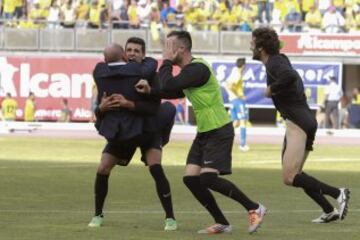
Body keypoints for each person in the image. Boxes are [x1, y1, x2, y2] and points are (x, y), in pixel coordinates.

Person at [136, 30, 266, 234]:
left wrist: (166, 61)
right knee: (190, 179)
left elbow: (169, 83)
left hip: (219, 129)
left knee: (208, 179)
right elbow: (171, 90)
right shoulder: (190, 73)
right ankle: (222, 222)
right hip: (205, 131)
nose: (165, 50)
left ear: (181, 49)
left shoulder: (197, 69)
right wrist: (151, 91)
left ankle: (254, 207)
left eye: (169, 47)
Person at [251, 27, 350, 224]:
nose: (250, 47)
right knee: (296, 174)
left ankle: (338, 193)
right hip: (302, 119)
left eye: (252, 44)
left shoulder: (275, 62)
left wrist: (272, 88)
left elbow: (291, 77)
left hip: (298, 121)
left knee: (289, 177)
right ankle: (328, 210)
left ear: (261, 48)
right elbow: (292, 77)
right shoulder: (279, 59)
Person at [88, 42, 177, 231]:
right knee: (103, 168)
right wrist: (100, 109)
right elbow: (101, 109)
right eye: (129, 50)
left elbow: (154, 108)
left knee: (156, 168)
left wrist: (130, 105)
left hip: (147, 130)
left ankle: (170, 218)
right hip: (123, 133)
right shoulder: (109, 77)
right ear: (123, 55)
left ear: (143, 54)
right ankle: (97, 215)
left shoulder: (150, 75)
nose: (132, 53)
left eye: (137, 51)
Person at [226, 58, 250, 152]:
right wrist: (239, 95)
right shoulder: (237, 74)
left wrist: (231, 95)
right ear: (243, 65)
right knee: (243, 121)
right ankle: (243, 145)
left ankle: (223, 141)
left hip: (232, 100)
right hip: (237, 100)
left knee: (235, 123)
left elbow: (226, 84)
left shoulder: (233, 71)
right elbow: (230, 86)